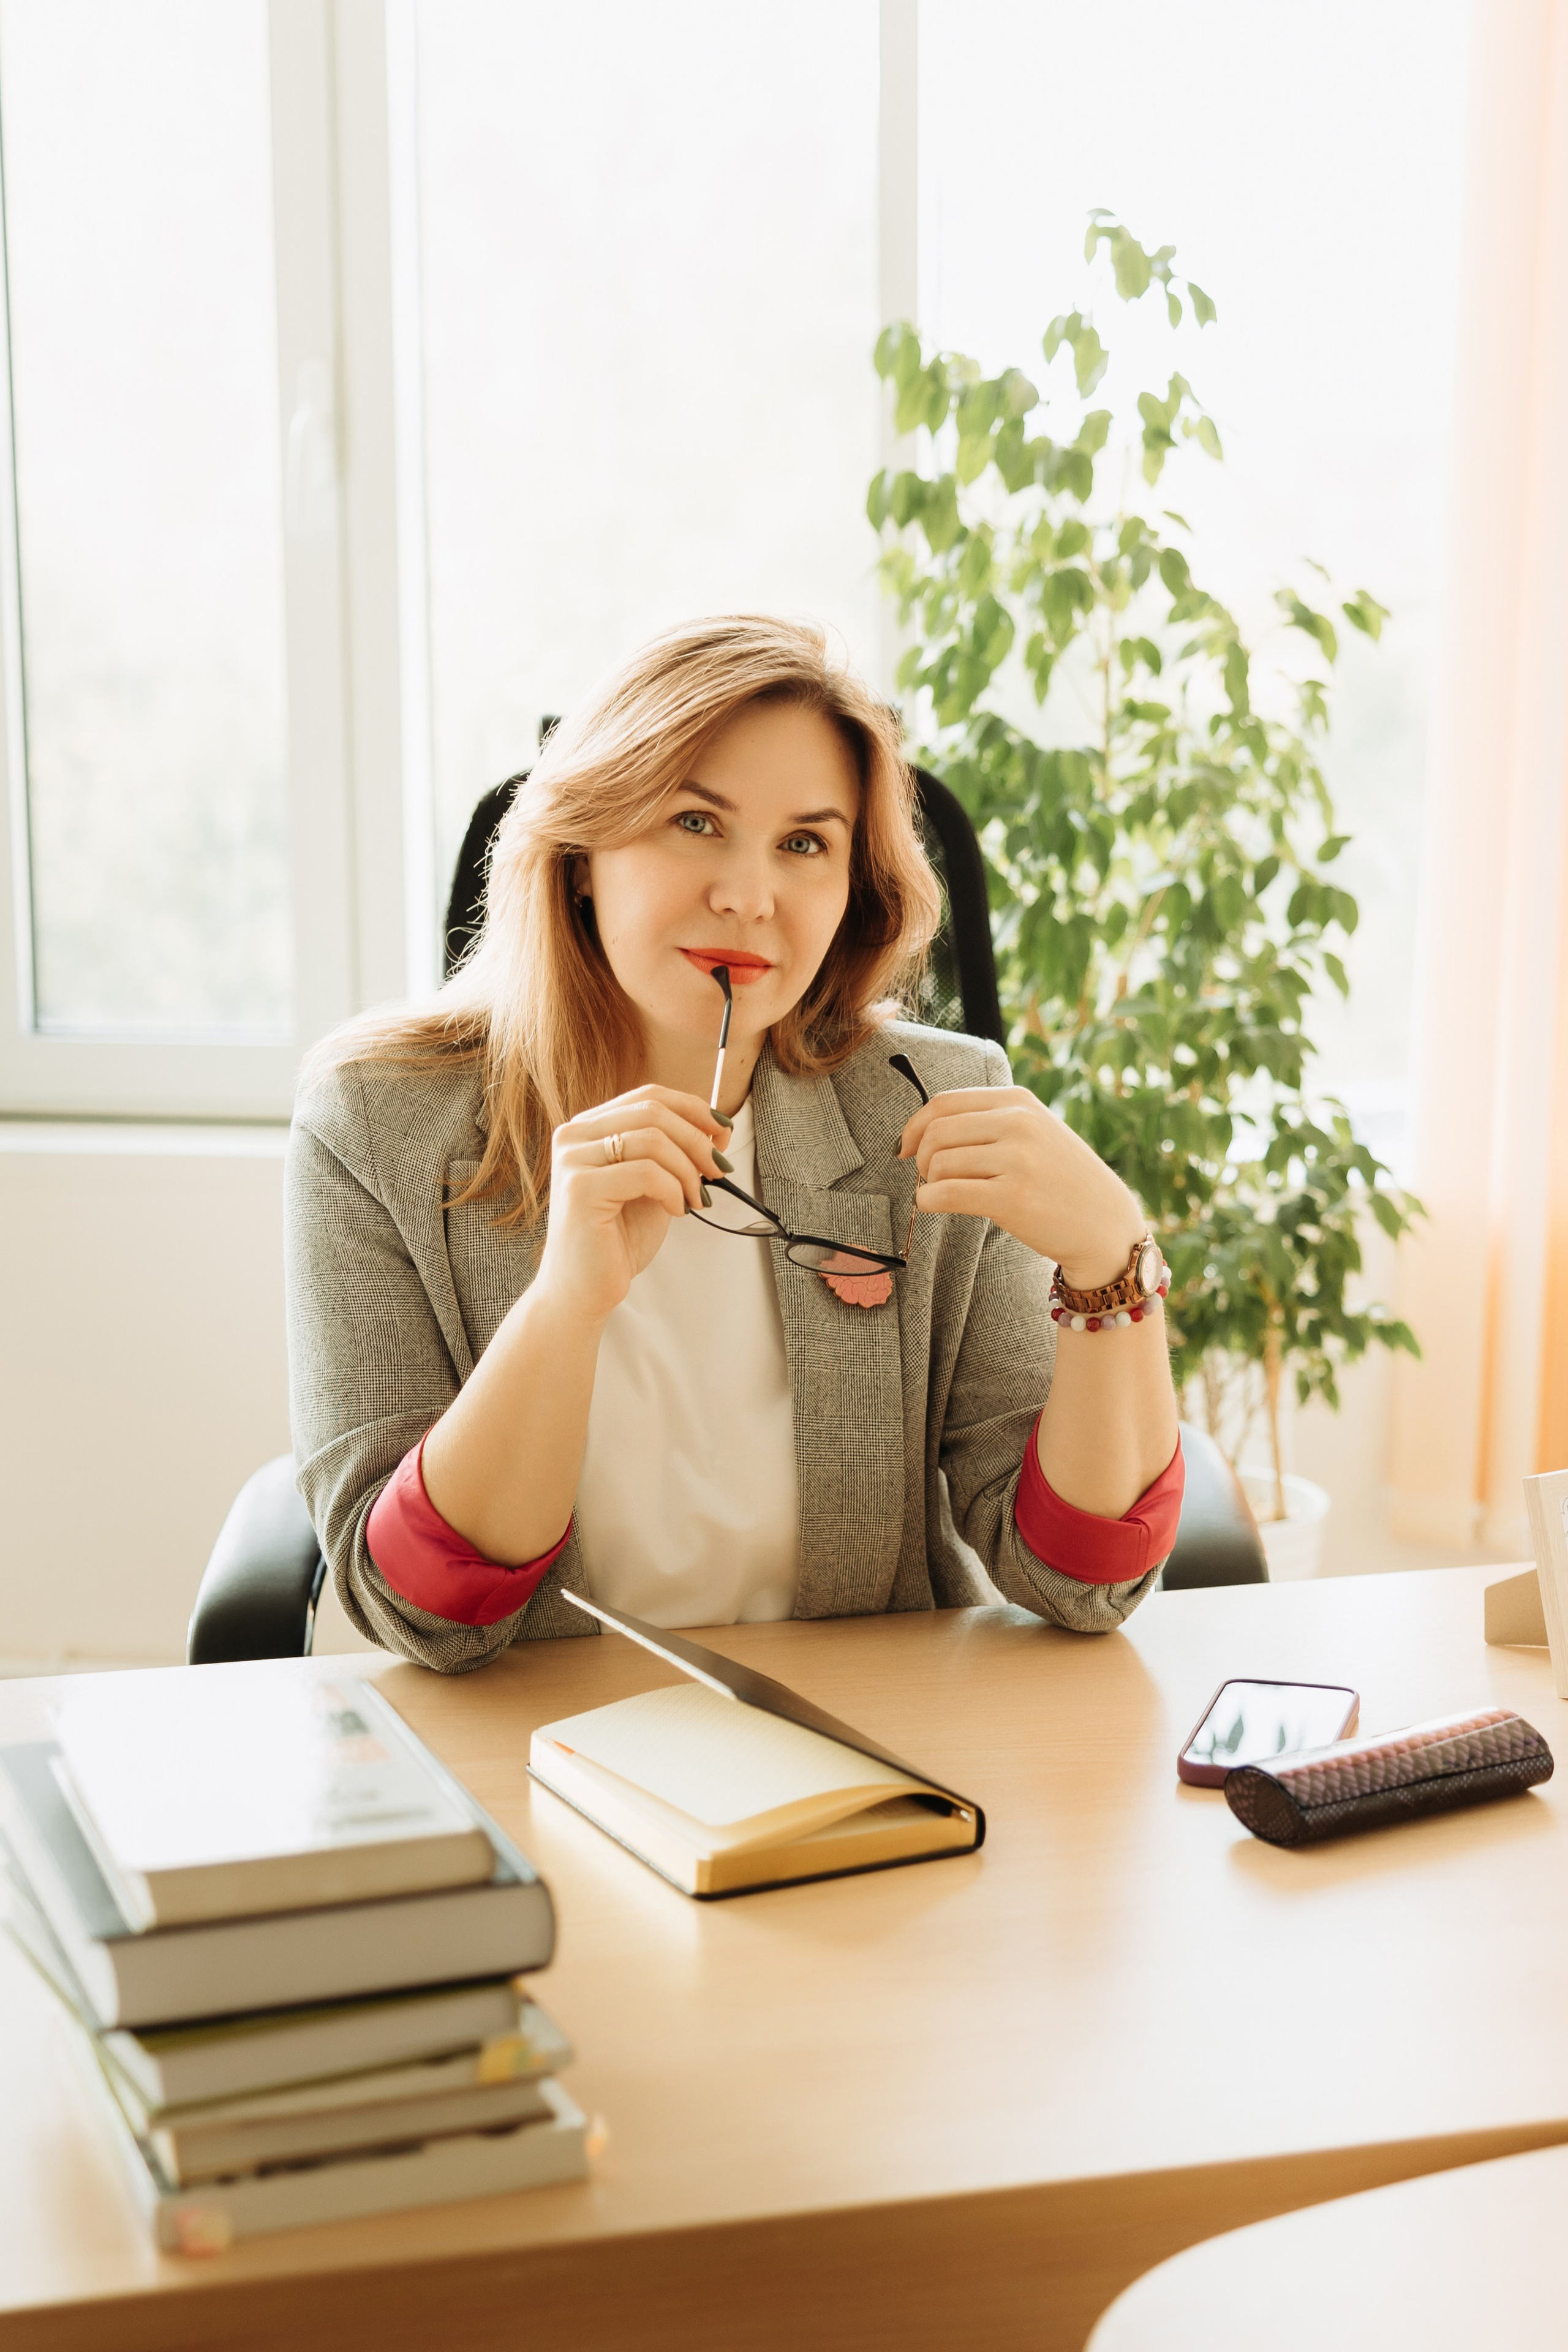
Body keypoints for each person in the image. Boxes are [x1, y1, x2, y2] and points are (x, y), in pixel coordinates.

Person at [286, 616, 1183, 1674]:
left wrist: (1111, 1263)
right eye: (696, 822)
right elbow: (422, 1611)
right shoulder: (375, 1122)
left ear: (854, 890)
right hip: (538, 1742)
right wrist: (566, 1305)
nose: (749, 899)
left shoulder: (935, 1107)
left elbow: (1079, 1582)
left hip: (860, 1735)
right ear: (581, 856)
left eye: (805, 844)